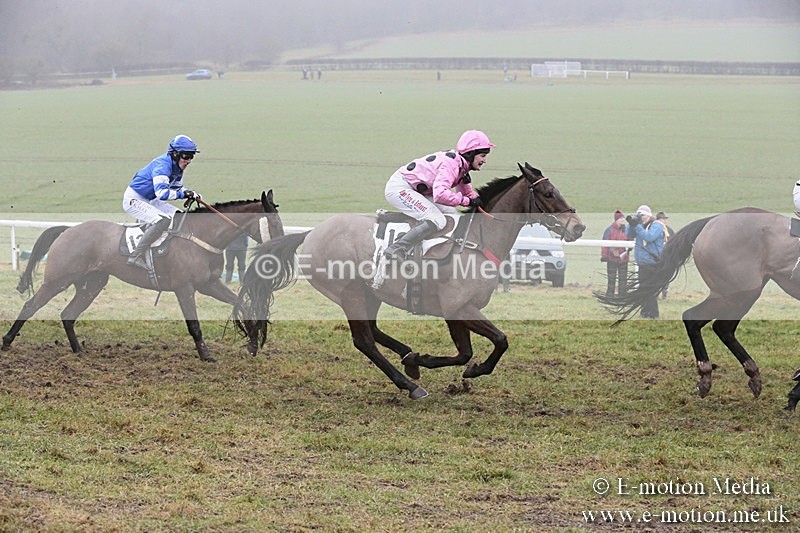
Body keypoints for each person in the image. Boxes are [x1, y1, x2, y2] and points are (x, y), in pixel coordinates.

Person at [383, 130, 494, 261]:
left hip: (418, 191)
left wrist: (479, 201)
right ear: (471, 154)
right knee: (438, 220)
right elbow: (440, 195)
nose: (485, 160)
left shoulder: (462, 166)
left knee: (452, 215)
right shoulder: (451, 165)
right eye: (482, 155)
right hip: (401, 188)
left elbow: (467, 192)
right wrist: (465, 201)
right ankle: (397, 248)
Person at [122, 134, 202, 269]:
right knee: (162, 220)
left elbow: (178, 188)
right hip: (134, 200)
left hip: (150, 199)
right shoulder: (163, 166)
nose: (189, 160)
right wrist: (184, 194)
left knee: (180, 216)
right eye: (186, 156)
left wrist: (192, 193)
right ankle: (135, 256)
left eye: (192, 156)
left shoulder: (177, 167)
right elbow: (162, 194)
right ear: (175, 154)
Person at [626, 205, 665, 318]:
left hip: (653, 262)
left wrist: (637, 226)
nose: (640, 217)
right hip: (643, 262)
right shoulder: (640, 226)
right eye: (639, 215)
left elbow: (649, 237)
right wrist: (631, 224)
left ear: (649, 215)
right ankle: (645, 312)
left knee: (650, 288)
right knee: (644, 287)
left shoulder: (656, 225)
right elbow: (629, 235)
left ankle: (652, 313)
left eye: (642, 215)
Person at [600, 210, 631, 297]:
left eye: (623, 218)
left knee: (623, 279)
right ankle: (610, 295)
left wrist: (629, 249)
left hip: (623, 259)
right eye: (621, 218)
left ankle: (622, 296)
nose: (622, 220)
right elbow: (604, 243)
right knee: (611, 278)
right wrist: (605, 255)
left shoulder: (627, 230)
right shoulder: (609, 230)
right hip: (612, 259)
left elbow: (630, 240)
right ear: (616, 220)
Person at [655, 211, 674, 299]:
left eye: (666, 219)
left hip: (666, 257)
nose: (665, 221)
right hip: (656, 257)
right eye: (663, 219)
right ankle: (656, 293)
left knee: (666, 276)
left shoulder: (669, 230)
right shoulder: (654, 229)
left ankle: (664, 293)